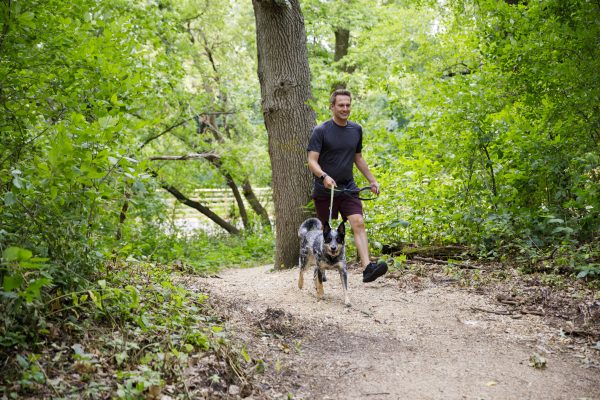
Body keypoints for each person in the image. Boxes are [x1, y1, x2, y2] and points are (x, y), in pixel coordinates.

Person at [307, 89, 388, 283]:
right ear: (332, 107)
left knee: (358, 223)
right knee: (323, 231)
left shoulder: (356, 129)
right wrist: (324, 176)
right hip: (326, 190)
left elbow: (358, 158)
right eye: (341, 105)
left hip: (349, 188)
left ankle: (368, 268)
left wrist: (372, 179)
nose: (345, 108)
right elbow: (312, 161)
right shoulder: (321, 131)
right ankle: (320, 266)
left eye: (348, 105)